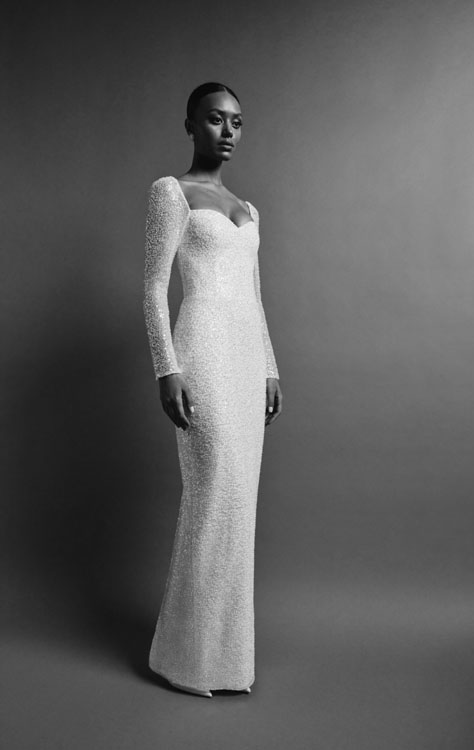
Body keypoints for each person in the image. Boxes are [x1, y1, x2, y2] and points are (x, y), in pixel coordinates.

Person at [143, 82, 283, 698]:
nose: (228, 131)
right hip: (200, 351)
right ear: (190, 125)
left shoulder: (249, 209)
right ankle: (184, 658)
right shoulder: (171, 193)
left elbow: (255, 297)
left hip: (247, 362)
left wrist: (271, 367)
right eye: (215, 119)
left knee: (239, 503)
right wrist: (166, 368)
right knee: (213, 493)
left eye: (237, 122)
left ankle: (228, 660)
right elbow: (153, 288)